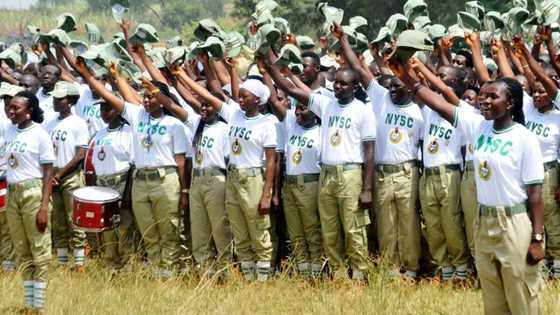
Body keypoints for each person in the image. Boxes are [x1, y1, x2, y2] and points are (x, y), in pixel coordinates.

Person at [403, 57, 545, 314]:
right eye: (482, 95)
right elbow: (438, 103)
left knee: (521, 294)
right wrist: (406, 74)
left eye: (493, 97)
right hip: (484, 221)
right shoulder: (478, 127)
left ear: (510, 103)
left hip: (513, 222)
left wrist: (537, 238)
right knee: (493, 297)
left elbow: (535, 194)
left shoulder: (525, 139)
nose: (484, 100)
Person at [266, 49, 376, 281]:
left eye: (344, 85)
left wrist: (367, 188)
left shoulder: (363, 111)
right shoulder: (326, 105)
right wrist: (270, 64)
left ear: (355, 88)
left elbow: (369, 152)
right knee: (329, 229)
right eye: (336, 84)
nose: (338, 88)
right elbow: (291, 89)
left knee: (352, 228)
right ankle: (338, 274)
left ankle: (359, 275)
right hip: (327, 174)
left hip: (350, 173)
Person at [74, 59, 190, 278]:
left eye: (151, 96)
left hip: (166, 180)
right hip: (140, 181)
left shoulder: (173, 125)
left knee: (169, 229)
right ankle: (157, 272)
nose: (146, 100)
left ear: (162, 100)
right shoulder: (137, 116)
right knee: (149, 232)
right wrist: (90, 75)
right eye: (144, 96)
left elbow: (181, 162)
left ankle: (170, 273)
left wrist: (184, 191)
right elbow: (111, 97)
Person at [334, 24, 424, 280]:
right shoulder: (381, 97)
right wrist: (343, 41)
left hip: (407, 171)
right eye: (391, 87)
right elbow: (359, 69)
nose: (394, 90)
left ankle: (412, 268)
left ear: (410, 87)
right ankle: (391, 269)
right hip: (382, 173)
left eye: (399, 87)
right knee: (386, 225)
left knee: (408, 223)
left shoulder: (418, 112)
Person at [178, 70, 277, 281]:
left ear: (257, 100)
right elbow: (205, 96)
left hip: (252, 179)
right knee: (239, 230)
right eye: (239, 96)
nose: (240, 100)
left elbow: (271, 160)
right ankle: (248, 277)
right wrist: (180, 75)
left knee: (257, 228)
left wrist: (267, 193)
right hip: (232, 177)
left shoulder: (267, 123)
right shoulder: (233, 115)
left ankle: (263, 279)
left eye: (245, 97)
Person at [4, 91, 55, 312]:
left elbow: (48, 173)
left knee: (39, 249)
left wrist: (44, 206)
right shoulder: (9, 130)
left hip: (33, 192)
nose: (11, 111)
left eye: (16, 108)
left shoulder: (40, 135)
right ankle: (28, 303)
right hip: (13, 192)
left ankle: (40, 305)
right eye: (10, 107)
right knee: (21, 249)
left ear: (29, 111)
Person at [44, 81, 88, 270]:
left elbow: (80, 154)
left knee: (74, 218)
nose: (55, 101)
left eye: (59, 99)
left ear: (69, 101)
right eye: (54, 98)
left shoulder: (78, 122)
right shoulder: (50, 122)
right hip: (53, 174)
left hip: (70, 175)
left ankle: (79, 261)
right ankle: (62, 261)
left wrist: (60, 175)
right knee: (57, 219)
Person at [188, 92, 233, 279]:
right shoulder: (196, 125)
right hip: (196, 179)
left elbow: (228, 160)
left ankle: (227, 271)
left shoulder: (224, 128)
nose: (204, 109)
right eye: (202, 105)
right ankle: (205, 272)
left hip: (216, 179)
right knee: (199, 230)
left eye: (209, 105)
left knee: (220, 229)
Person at [91, 102, 137, 272]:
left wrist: (127, 194)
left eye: (108, 109)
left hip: (121, 181)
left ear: (118, 111)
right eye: (102, 109)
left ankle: (127, 265)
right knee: (107, 226)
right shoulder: (99, 134)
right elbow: (96, 163)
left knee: (124, 226)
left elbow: (133, 164)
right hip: (103, 183)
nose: (104, 113)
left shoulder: (128, 132)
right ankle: (111, 263)